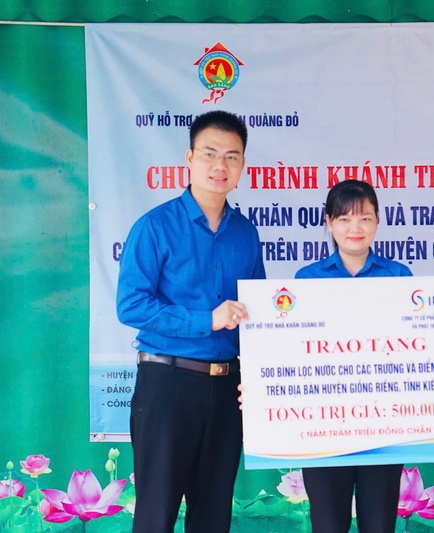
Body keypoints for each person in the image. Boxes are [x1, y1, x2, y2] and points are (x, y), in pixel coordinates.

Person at [116, 110, 265, 533]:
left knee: (214, 514)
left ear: (242, 167)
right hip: (168, 386)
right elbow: (131, 305)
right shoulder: (155, 227)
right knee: (156, 514)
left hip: (226, 389)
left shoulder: (246, 234)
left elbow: (257, 315)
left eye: (232, 157)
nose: (220, 166)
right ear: (189, 157)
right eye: (210, 154)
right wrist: (208, 319)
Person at [296, 180, 411, 533]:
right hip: (323, 426)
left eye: (364, 218)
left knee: (379, 525)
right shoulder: (305, 280)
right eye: (344, 219)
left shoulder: (399, 276)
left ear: (377, 221)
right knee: (328, 525)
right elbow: (292, 354)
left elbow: (416, 347)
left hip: (383, 423)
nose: (355, 228)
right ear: (329, 223)